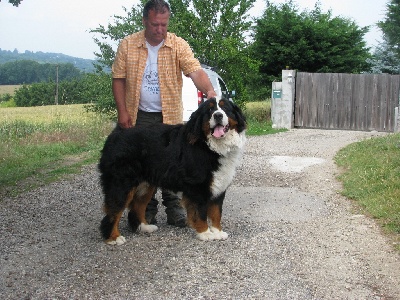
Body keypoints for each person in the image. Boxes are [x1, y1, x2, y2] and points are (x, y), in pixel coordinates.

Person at [111, 0, 217, 227]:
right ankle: (144, 213)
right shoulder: (127, 45)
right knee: (143, 166)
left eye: (164, 25)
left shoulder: (178, 44)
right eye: (154, 25)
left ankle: (175, 211)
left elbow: (195, 71)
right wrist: (122, 111)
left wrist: (208, 90)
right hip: (138, 115)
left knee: (173, 164)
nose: (160, 30)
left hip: (169, 116)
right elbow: (118, 79)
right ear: (144, 21)